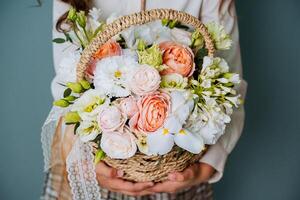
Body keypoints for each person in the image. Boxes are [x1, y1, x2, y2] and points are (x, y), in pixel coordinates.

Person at [42, 0, 247, 199]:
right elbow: (66, 79)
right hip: (89, 167)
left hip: (177, 175)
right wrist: (83, 163)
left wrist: (208, 165)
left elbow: (228, 81)